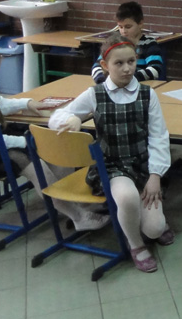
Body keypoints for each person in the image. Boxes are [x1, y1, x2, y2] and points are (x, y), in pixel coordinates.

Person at [0, 42, 109, 231]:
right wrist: (26, 142)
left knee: (51, 144)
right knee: (31, 160)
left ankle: (73, 201)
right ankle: (77, 215)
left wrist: (27, 103)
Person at [51, 31, 173, 273]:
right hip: (112, 165)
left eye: (131, 61)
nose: (127, 68)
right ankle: (135, 245)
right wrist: (72, 119)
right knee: (127, 198)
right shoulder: (95, 94)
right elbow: (58, 116)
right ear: (105, 66)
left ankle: (152, 224)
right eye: (119, 63)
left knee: (154, 229)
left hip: (143, 163)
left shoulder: (148, 94)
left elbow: (159, 137)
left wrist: (155, 176)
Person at [91, 1, 165, 84]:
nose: (124, 31)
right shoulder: (113, 43)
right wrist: (102, 80)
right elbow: (97, 67)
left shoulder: (149, 43)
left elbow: (155, 70)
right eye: (120, 27)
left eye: (128, 27)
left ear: (140, 23)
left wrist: (128, 78)